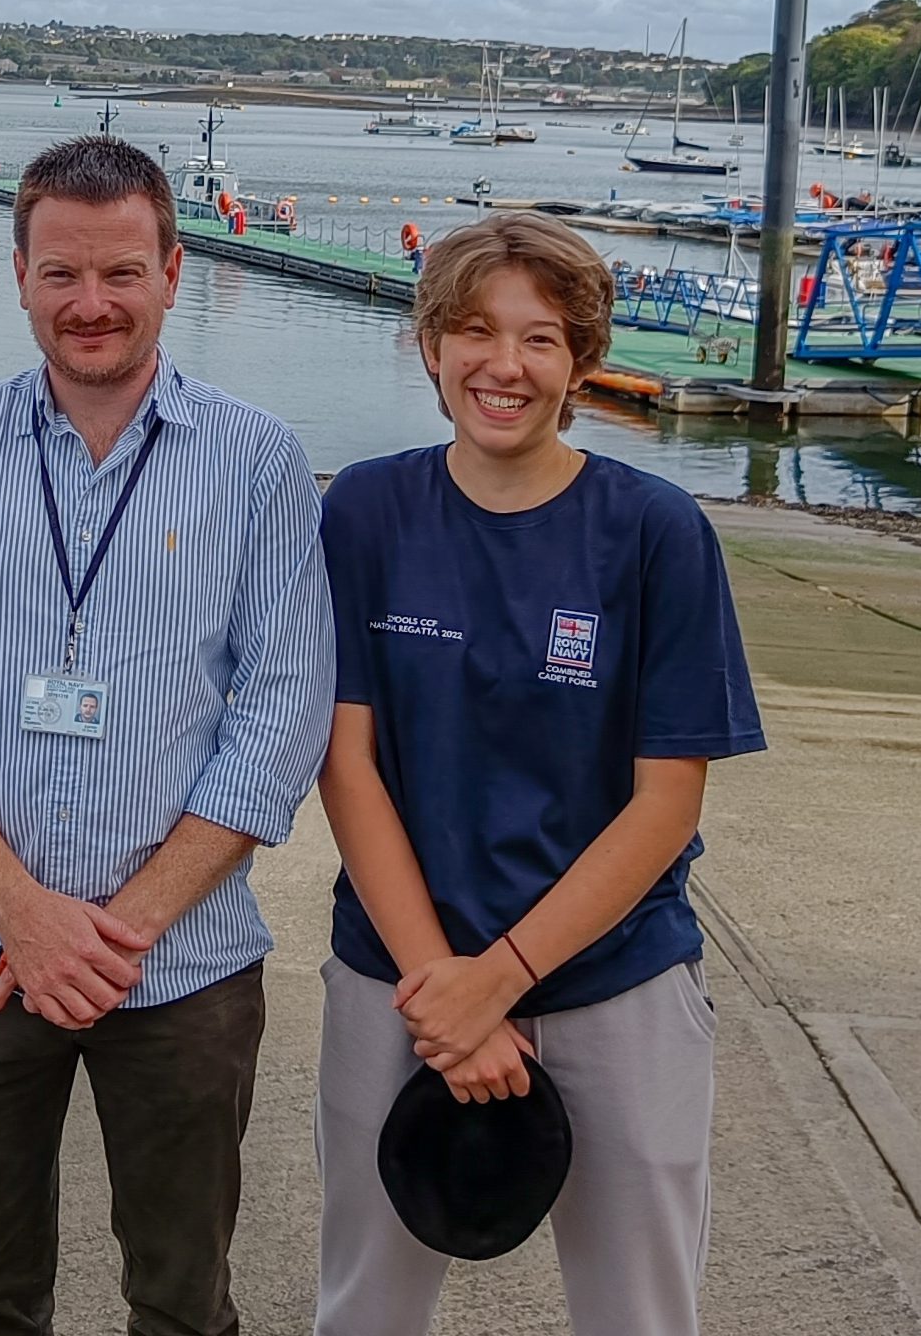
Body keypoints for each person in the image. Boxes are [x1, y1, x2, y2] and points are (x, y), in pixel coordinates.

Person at [0, 136, 333, 1336]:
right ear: (16, 273)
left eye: (121, 272)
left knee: (182, 1297)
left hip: (179, 968)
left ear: (175, 270)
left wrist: (119, 931)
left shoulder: (258, 460)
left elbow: (282, 713)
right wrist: (22, 911)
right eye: (61, 273)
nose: (91, 304)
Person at [311, 212, 765, 1336]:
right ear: (427, 343)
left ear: (583, 365)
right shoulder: (365, 509)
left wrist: (499, 977)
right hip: (400, 981)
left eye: (539, 339)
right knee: (366, 1300)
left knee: (639, 1311)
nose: (500, 365)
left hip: (614, 983)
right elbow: (346, 762)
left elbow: (665, 802)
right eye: (471, 329)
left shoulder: (654, 530)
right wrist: (444, 988)